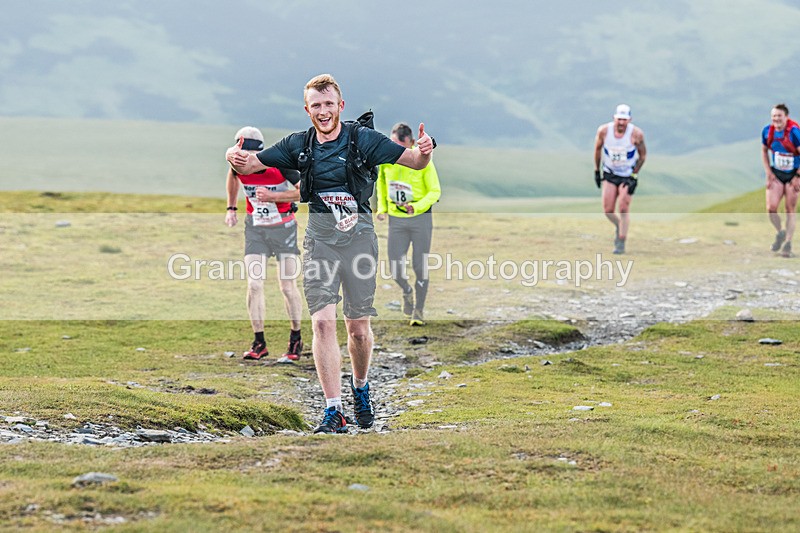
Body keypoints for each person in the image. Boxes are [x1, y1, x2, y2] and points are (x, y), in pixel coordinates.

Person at [226, 74, 436, 434]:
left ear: (340, 105)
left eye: (329, 104)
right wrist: (234, 155)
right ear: (307, 109)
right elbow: (251, 165)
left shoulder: (364, 140)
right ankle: (333, 410)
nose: (323, 112)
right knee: (323, 322)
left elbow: (414, 162)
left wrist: (426, 149)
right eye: (315, 105)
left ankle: (360, 386)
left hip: (359, 242)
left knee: (357, 329)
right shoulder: (298, 144)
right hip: (319, 243)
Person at [225, 126, 304, 362]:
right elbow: (233, 177)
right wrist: (231, 208)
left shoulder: (280, 164)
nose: (246, 161)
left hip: (284, 228)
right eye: (242, 155)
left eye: (250, 156)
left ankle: (295, 339)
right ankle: (259, 343)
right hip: (256, 228)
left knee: (287, 286)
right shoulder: (237, 165)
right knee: (255, 284)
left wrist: (274, 197)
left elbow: (304, 191)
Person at [376, 122, 441, 326]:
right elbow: (382, 184)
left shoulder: (423, 161)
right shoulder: (387, 161)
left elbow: (435, 192)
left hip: (420, 220)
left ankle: (418, 311)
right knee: (395, 267)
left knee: (419, 266)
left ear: (411, 143)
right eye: (391, 144)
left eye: (399, 145)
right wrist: (382, 208)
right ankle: (406, 290)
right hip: (397, 221)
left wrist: (417, 206)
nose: (394, 150)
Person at [593, 104, 647, 254]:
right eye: (619, 120)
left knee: (623, 208)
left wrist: (634, 174)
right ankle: (619, 225)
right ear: (614, 118)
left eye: (625, 120)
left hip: (627, 175)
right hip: (610, 173)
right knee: (608, 210)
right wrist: (597, 171)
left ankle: (621, 241)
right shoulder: (604, 131)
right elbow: (597, 150)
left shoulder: (636, 134)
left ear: (629, 120)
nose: (621, 123)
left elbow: (643, 156)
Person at [761, 103, 800, 258]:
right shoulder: (767, 131)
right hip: (776, 173)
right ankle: (780, 232)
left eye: (779, 116)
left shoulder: (794, 133)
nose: (776, 119)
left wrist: (798, 176)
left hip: (793, 175)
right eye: (774, 116)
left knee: (790, 209)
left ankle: (788, 244)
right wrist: (768, 171)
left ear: (786, 117)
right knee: (771, 208)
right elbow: (764, 150)